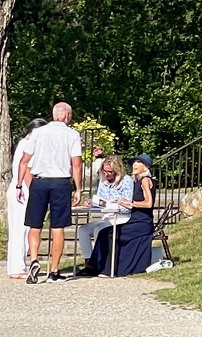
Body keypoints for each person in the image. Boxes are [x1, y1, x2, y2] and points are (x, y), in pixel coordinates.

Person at [17, 102, 84, 282]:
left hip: (39, 181)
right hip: (60, 182)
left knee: (34, 225)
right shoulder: (72, 134)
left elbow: (24, 160)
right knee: (58, 227)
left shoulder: (38, 132)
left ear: (54, 115)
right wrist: (78, 188)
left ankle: (34, 259)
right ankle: (54, 271)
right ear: (67, 116)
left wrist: (19, 185)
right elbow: (76, 163)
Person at [6, 118, 47, 281]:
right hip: (23, 190)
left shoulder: (24, 144)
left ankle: (17, 265)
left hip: (20, 189)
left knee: (20, 229)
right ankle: (17, 267)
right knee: (21, 229)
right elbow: (27, 170)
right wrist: (35, 191)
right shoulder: (28, 144)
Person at [76, 156, 132, 277]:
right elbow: (99, 199)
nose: (107, 174)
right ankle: (89, 262)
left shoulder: (126, 181)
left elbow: (128, 205)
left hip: (121, 216)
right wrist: (91, 202)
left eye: (110, 172)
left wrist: (115, 204)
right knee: (83, 229)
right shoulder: (103, 181)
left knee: (99, 229)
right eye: (104, 171)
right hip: (107, 216)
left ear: (117, 170)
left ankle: (101, 263)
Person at [114, 155, 159, 276]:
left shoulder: (145, 180)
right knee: (107, 232)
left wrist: (132, 203)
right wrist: (125, 203)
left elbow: (148, 203)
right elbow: (136, 205)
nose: (134, 165)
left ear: (145, 167)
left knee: (109, 234)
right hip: (135, 219)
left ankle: (112, 268)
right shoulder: (137, 182)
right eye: (134, 162)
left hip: (142, 223)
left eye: (138, 162)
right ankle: (110, 267)